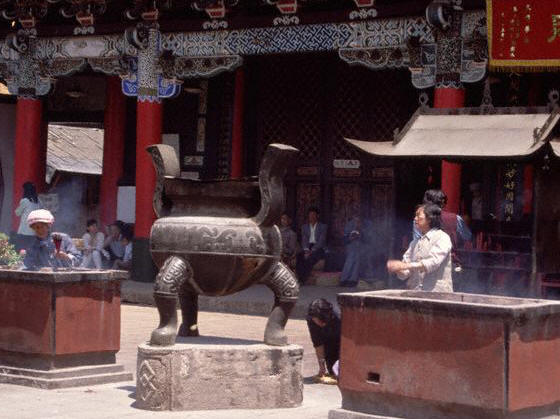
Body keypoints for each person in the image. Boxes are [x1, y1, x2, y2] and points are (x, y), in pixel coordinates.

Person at [388, 204, 453, 292]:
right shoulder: (414, 243)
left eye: (418, 215)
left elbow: (433, 262)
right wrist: (398, 268)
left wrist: (407, 265)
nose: (415, 219)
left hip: (437, 295)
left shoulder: (442, 237)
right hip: (416, 293)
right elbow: (405, 273)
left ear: (429, 219)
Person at [307, 298, 340, 385]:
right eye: (318, 321)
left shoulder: (339, 317)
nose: (321, 324)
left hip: (342, 343)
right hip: (328, 344)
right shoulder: (311, 320)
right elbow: (318, 343)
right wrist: (322, 366)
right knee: (333, 371)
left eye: (323, 321)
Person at [339, 213, 375, 287]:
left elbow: (370, 239)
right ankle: (350, 279)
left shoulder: (368, 224)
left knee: (356, 254)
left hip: (365, 247)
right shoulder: (350, 224)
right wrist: (351, 238)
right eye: (356, 219)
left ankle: (347, 279)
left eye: (359, 219)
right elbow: (344, 239)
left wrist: (360, 232)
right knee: (354, 254)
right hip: (352, 246)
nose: (357, 220)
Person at [296, 207, 328, 283]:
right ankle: (299, 278)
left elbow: (321, 241)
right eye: (310, 215)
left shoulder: (323, 227)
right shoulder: (304, 227)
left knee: (311, 259)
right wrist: (306, 250)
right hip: (308, 247)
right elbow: (304, 239)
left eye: (313, 215)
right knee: (300, 256)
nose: (311, 217)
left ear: (317, 216)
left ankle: (302, 279)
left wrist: (312, 251)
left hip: (318, 248)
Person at [14, 182, 41, 251]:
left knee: (21, 251)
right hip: (35, 231)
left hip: (24, 231)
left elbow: (17, 213)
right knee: (30, 251)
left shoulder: (25, 201)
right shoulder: (38, 201)